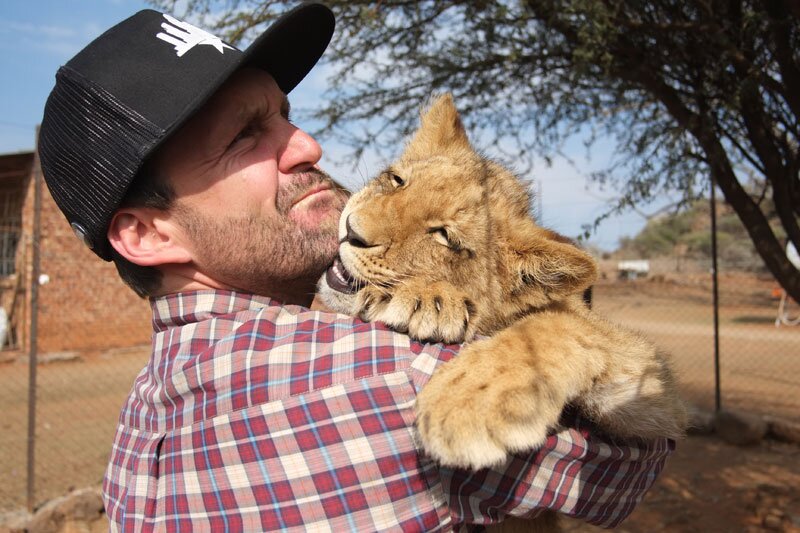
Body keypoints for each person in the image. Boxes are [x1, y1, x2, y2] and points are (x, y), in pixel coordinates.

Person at [38, 4, 674, 532]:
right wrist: (549, 339)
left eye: (284, 115)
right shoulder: (396, 380)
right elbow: (634, 462)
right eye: (244, 136)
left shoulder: (139, 425)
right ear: (147, 234)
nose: (307, 145)